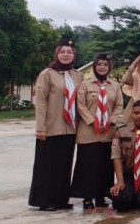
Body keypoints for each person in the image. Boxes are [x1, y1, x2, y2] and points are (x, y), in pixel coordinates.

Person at [29, 39, 84, 211]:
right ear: (56, 54)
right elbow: (40, 102)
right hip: (51, 128)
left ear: (74, 55)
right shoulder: (47, 74)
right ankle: (44, 201)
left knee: (64, 165)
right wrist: (40, 128)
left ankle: (60, 199)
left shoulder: (77, 75)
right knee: (47, 166)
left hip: (70, 128)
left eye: (70, 52)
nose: (66, 55)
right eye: (62, 51)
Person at [71, 53, 124, 209]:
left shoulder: (115, 86)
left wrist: (111, 120)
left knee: (105, 166)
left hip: (108, 132)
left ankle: (101, 196)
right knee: (88, 166)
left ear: (109, 67)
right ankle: (87, 197)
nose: (102, 67)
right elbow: (80, 105)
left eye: (105, 64)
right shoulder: (85, 85)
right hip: (89, 132)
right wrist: (92, 121)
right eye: (99, 64)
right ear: (94, 66)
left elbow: (119, 106)